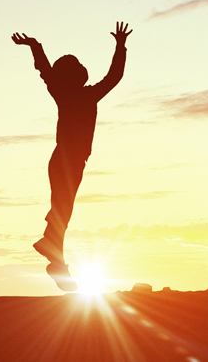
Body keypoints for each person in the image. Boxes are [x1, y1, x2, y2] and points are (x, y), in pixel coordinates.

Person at [12, 22, 131, 291]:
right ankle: (54, 257)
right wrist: (120, 46)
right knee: (63, 209)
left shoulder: (67, 94)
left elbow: (47, 72)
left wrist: (36, 47)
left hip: (65, 160)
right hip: (68, 160)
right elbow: (114, 76)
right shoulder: (84, 95)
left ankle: (55, 256)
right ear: (77, 75)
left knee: (63, 209)